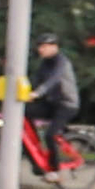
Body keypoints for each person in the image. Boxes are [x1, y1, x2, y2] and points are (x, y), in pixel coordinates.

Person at [29, 33, 79, 168]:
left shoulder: (62, 62)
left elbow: (53, 80)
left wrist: (37, 93)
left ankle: (55, 170)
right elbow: (35, 80)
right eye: (40, 46)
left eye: (44, 46)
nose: (41, 49)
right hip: (52, 103)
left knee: (50, 135)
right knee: (25, 112)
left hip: (66, 105)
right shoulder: (45, 64)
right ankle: (35, 150)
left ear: (54, 47)